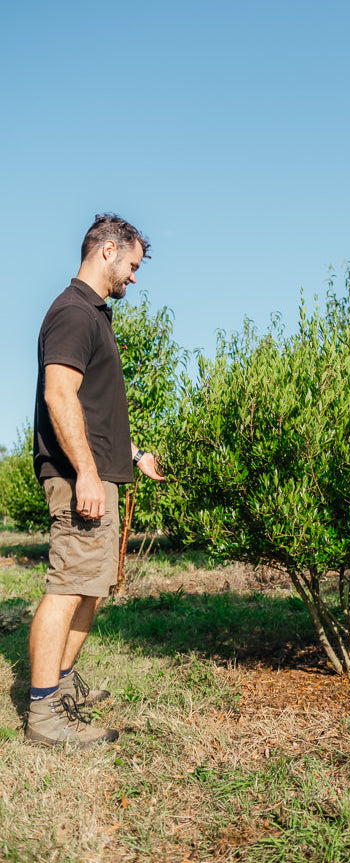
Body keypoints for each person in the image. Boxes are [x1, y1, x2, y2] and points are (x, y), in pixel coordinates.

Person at [25, 213, 164, 748]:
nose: (134, 276)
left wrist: (133, 454)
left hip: (99, 472)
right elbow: (59, 395)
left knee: (91, 587)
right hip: (77, 475)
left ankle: (60, 686)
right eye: (131, 264)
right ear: (107, 251)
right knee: (68, 588)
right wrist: (84, 471)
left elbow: (92, 409)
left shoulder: (95, 317)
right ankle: (44, 715)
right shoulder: (73, 313)